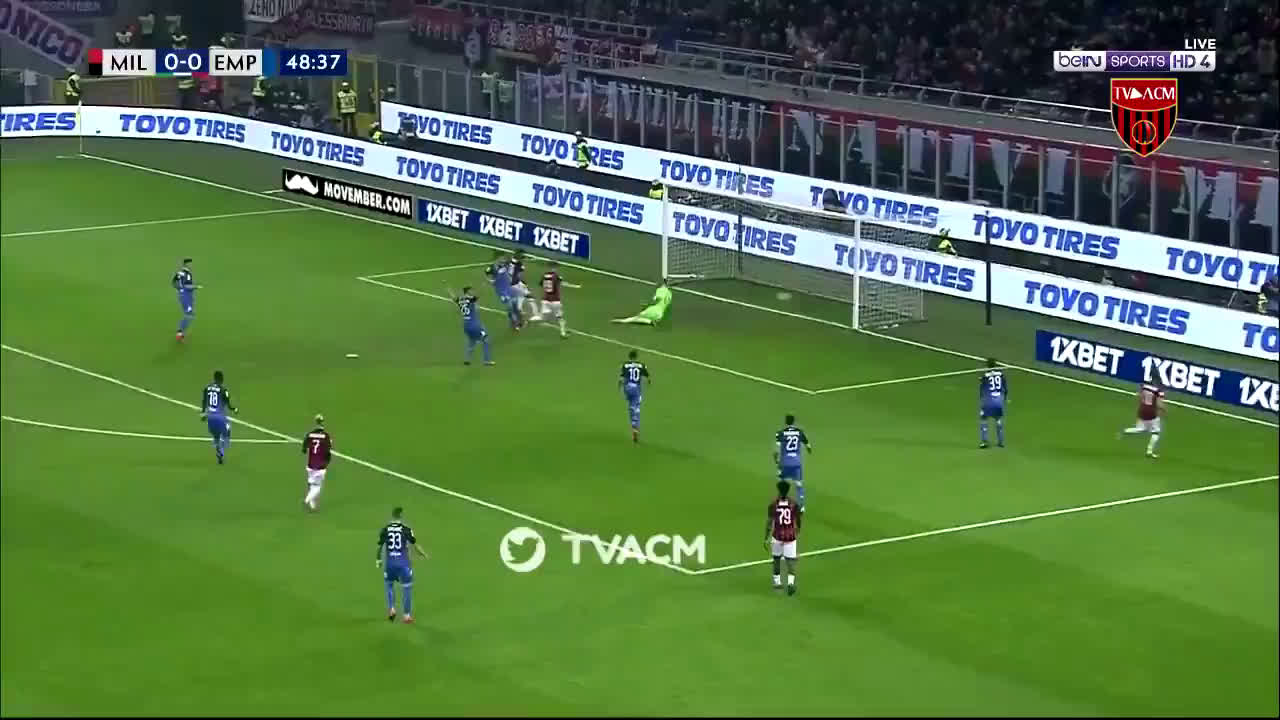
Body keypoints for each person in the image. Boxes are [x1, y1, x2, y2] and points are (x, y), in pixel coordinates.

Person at [376, 507, 428, 623]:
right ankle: (406, 616)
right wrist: (423, 554)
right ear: (401, 516)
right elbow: (415, 545)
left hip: (390, 564)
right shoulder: (406, 529)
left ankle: (391, 609)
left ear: (392, 516)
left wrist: (378, 560)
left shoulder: (385, 529)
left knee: (389, 585)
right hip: (403, 564)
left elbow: (379, 546)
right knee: (407, 588)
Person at [766, 480, 801, 595]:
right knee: (790, 561)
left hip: (777, 536)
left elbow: (769, 522)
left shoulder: (773, 505)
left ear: (779, 491)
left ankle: (777, 583)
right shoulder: (793, 504)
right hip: (790, 536)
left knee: (776, 559)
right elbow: (798, 520)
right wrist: (798, 531)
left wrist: (766, 537)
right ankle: (790, 583)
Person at [774, 414, 812, 509]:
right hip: (796, 462)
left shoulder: (780, 433)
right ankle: (801, 506)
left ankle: (781, 504)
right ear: (793, 422)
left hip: (784, 462)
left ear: (785, 421)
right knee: (799, 484)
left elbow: (776, 451)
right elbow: (808, 446)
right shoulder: (799, 432)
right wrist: (809, 450)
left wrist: (776, 461)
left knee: (782, 484)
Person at [200, 370, 237, 465]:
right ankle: (221, 452)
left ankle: (218, 449)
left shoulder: (207, 388)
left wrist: (203, 413)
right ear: (221, 379)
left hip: (210, 418)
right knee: (227, 431)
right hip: (220, 417)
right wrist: (234, 409)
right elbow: (229, 405)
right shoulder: (223, 389)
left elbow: (204, 401)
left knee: (216, 436)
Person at [1120, 382, 1165, 458]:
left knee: (1142, 429)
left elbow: (1139, 396)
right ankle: (1149, 451)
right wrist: (1164, 410)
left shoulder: (1144, 387)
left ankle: (1126, 431)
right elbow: (1159, 404)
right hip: (1151, 412)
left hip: (1142, 410)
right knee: (1156, 432)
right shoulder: (1159, 391)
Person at [451, 286, 493, 365]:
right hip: (474, 325)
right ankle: (487, 360)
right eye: (471, 290)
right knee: (486, 340)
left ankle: (467, 359)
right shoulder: (470, 299)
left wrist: (448, 290)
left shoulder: (460, 300)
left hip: (466, 325)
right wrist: (484, 286)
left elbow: (454, 298)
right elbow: (479, 295)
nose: (473, 292)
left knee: (472, 341)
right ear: (467, 292)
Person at [302, 415, 333, 512]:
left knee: (312, 484)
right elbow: (328, 451)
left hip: (310, 464)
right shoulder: (326, 436)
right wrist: (327, 461)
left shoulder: (310, 434)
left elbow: (304, 449)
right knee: (317, 487)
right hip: (320, 466)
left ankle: (312, 506)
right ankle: (307, 500)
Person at [619, 350, 650, 443]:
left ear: (629, 357)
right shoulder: (642, 365)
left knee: (631, 406)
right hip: (636, 389)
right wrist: (648, 383)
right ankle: (635, 428)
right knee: (636, 408)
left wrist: (621, 388)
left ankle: (634, 425)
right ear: (636, 357)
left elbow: (621, 379)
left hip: (627, 388)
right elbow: (648, 378)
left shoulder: (625, 365)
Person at [978, 358, 1007, 449]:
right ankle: (1001, 441)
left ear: (987, 365)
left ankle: (984, 442)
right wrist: (1005, 399)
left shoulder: (985, 376)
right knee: (998, 419)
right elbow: (1005, 389)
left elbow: (982, 391)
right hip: (998, 401)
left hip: (988, 401)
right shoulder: (1001, 374)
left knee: (983, 418)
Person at [172, 257, 199, 340]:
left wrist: (179, 289)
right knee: (189, 315)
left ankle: (180, 332)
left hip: (183, 295)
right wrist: (196, 287)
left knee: (189, 314)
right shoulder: (187, 274)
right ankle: (179, 333)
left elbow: (173, 283)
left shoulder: (179, 273)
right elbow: (187, 286)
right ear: (186, 264)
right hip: (186, 296)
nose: (192, 265)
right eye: (190, 264)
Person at [539, 261, 568, 338]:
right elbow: (562, 283)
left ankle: (529, 321)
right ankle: (563, 333)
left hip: (545, 299)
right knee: (560, 317)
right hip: (555, 300)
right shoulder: (556, 276)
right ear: (555, 267)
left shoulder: (544, 275)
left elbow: (541, 284)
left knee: (542, 317)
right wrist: (575, 286)